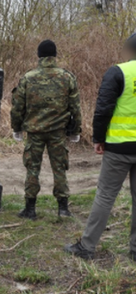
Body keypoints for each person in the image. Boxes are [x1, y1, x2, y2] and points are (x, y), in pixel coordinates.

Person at [65, 34, 136, 261]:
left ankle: (87, 247)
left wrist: (98, 138)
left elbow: (103, 109)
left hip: (118, 147)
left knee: (105, 196)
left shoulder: (118, 72)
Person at [11, 40, 82, 219]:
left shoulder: (28, 77)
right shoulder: (67, 77)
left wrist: (16, 128)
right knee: (59, 168)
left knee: (32, 169)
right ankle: (63, 209)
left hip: (34, 132)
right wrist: (76, 131)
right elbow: (75, 107)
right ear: (54, 55)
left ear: (39, 55)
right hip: (58, 131)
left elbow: (18, 107)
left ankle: (30, 209)